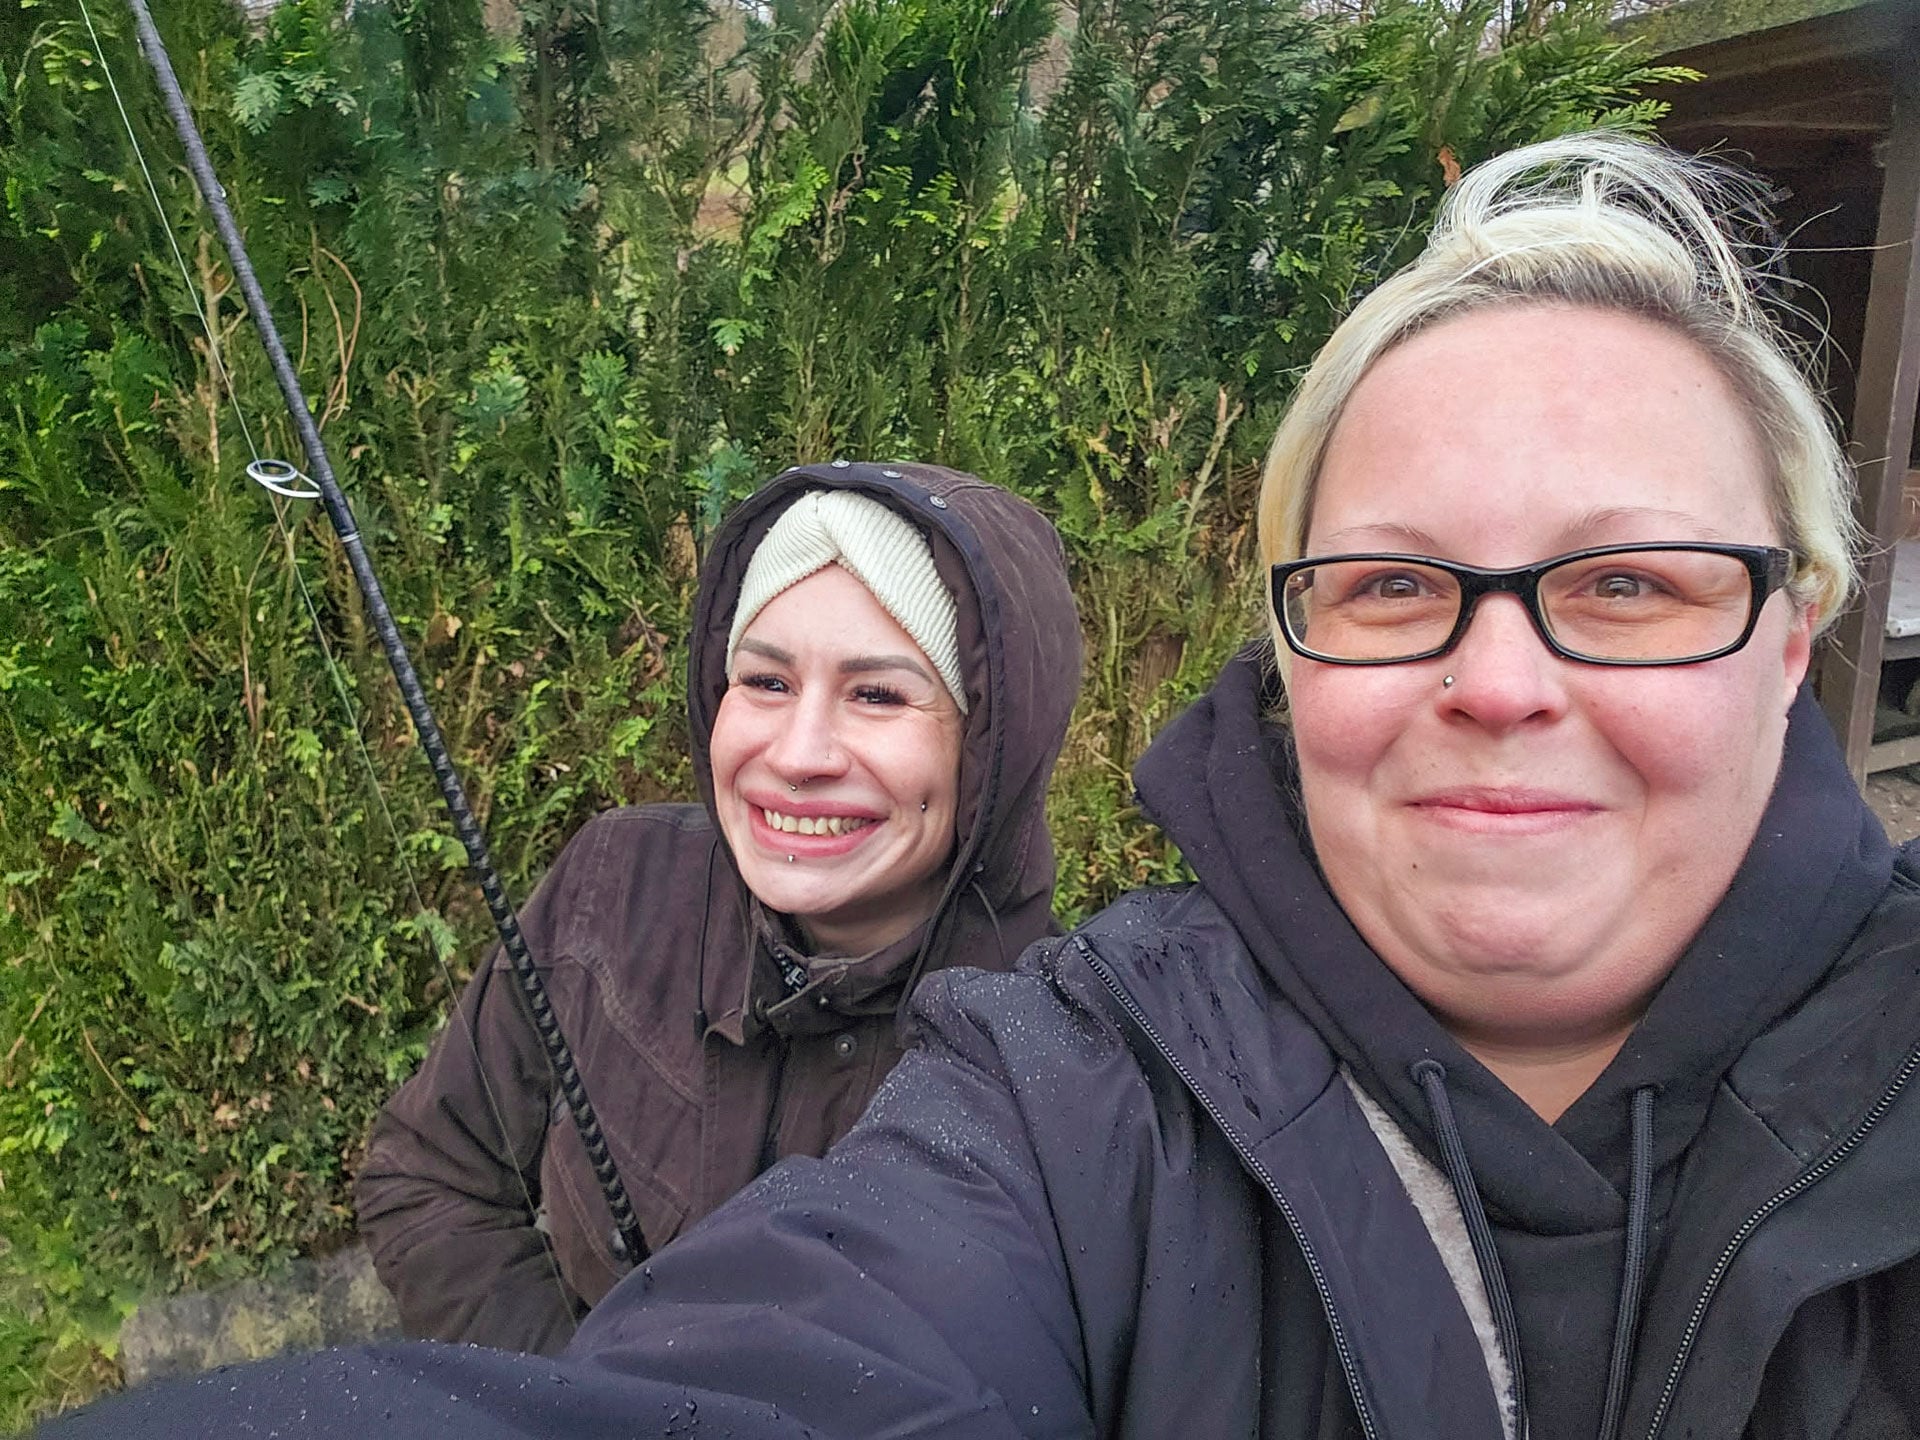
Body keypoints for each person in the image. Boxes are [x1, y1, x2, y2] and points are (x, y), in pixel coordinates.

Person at [43, 133, 1920, 1440]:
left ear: (1790, 631)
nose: (1500, 680)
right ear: (1295, 645)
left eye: (1627, 587)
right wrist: (587, 1357)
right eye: (1393, 586)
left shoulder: (1014, 1006)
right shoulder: (1086, 1088)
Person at [353, 461, 1084, 1353]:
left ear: (995, 748)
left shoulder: (1061, 1071)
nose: (799, 752)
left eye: (879, 694)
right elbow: (429, 1174)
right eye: (766, 682)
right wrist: (571, 1405)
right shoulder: (613, 884)